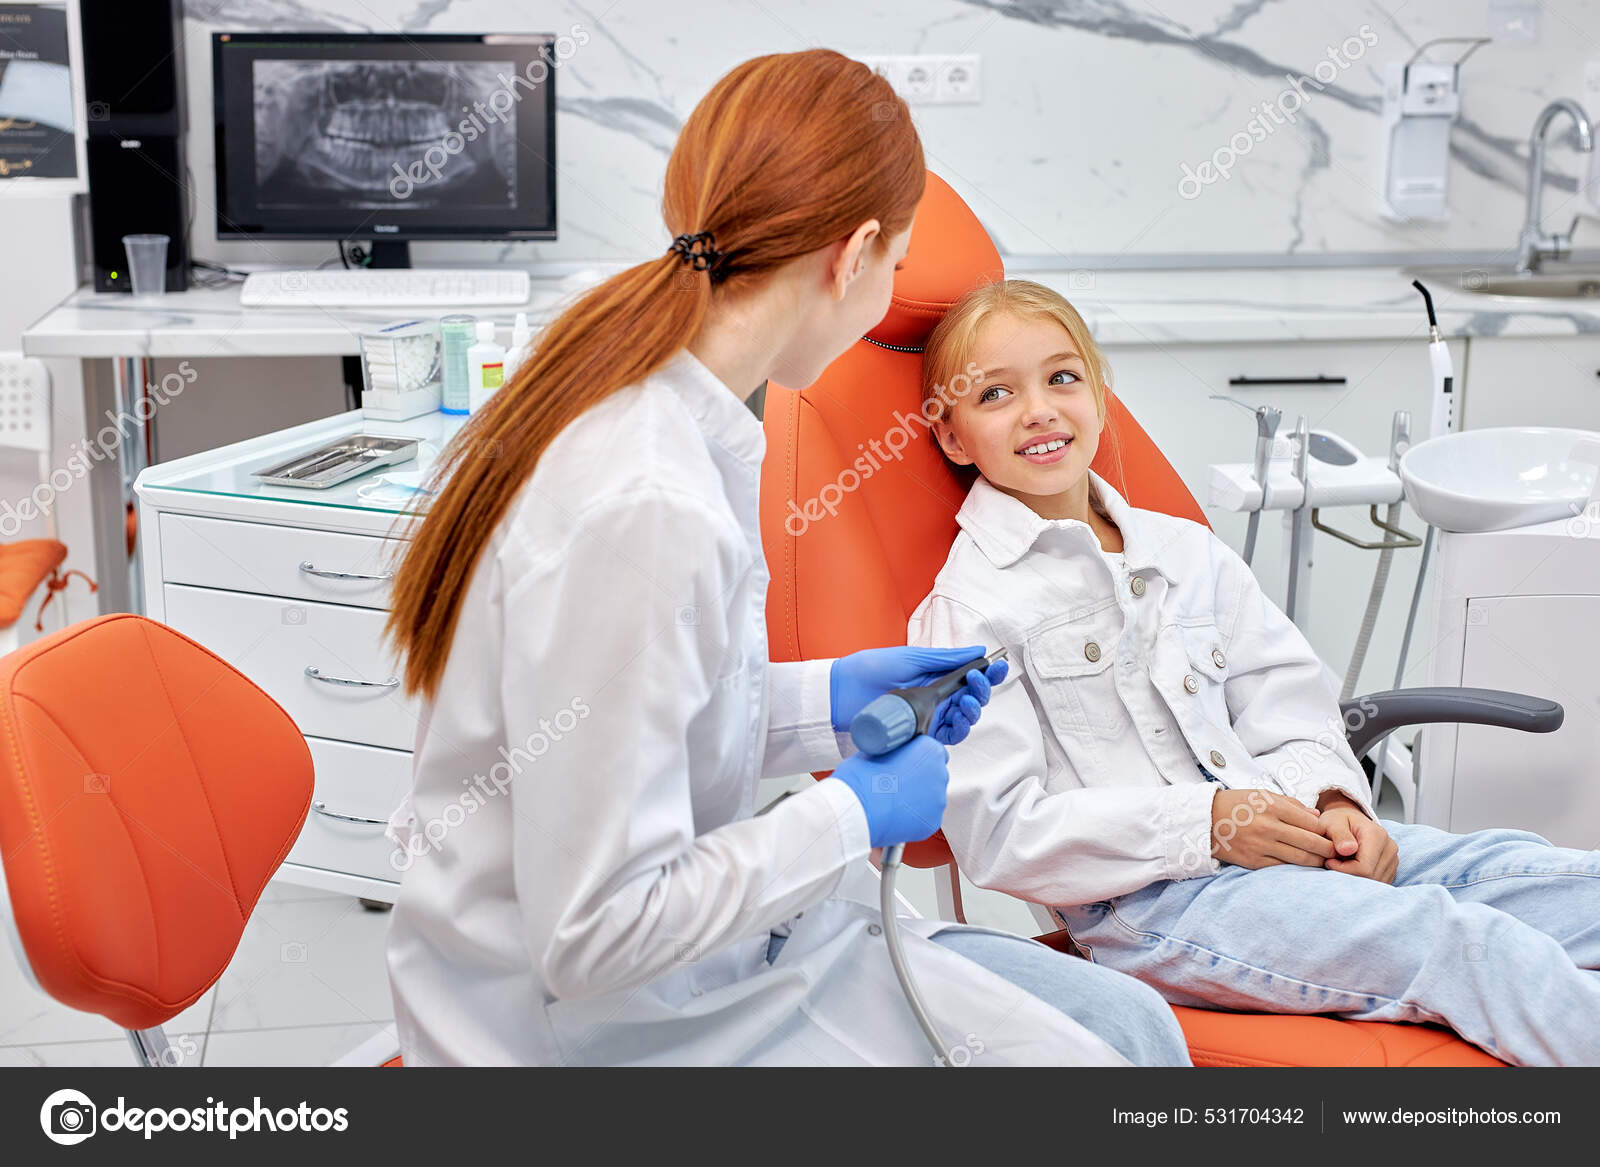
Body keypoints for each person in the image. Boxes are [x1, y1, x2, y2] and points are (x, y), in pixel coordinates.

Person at [381, 52, 1189, 1067]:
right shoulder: (644, 503)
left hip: (691, 953)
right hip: (572, 1021)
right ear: (852, 255)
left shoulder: (670, 406)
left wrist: (826, 701)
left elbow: (637, 716)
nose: (893, 288)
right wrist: (848, 811)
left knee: (1130, 1026)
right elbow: (598, 934)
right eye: (894, 264)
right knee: (1093, 1067)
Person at [908, 277, 1600, 1067]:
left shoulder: (1184, 551)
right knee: (1459, 942)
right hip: (1158, 905)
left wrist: (1336, 803)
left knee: (1566, 880)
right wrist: (1207, 823)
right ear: (953, 435)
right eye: (995, 393)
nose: (1039, 408)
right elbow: (1002, 836)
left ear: (1099, 393)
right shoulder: (968, 612)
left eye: (1063, 377)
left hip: (1296, 843)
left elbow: (1290, 704)